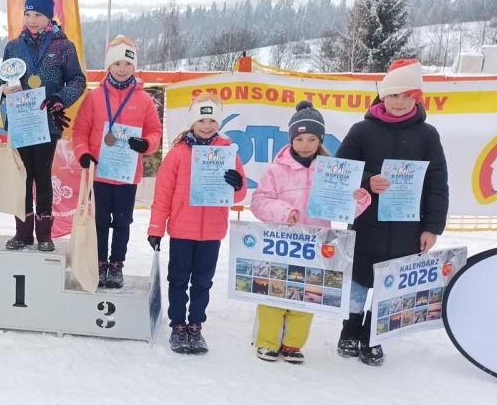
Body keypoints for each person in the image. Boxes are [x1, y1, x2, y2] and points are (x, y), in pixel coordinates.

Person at [334, 59, 449, 366]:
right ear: (383, 95)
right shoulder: (361, 131)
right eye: (394, 95)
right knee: (359, 280)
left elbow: (437, 184)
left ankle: (374, 335)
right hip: (365, 224)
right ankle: (350, 330)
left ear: (418, 98)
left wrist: (432, 227)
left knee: (391, 283)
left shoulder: (428, 135)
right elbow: (339, 170)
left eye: (408, 96)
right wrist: (366, 181)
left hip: (407, 229)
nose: (400, 102)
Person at [250, 101, 371, 363]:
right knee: (274, 293)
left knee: (307, 295)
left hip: (315, 246)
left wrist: (359, 199)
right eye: (300, 139)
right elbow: (258, 202)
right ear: (291, 139)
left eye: (312, 139)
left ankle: (293, 344)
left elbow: (345, 210)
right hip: (281, 245)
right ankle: (267, 342)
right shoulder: (276, 170)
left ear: (320, 140)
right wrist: (284, 212)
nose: (305, 145)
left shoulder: (331, 171)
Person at [148, 93, 246, 355]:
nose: (207, 126)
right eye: (201, 120)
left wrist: (237, 185)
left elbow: (238, 196)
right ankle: (178, 325)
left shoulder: (228, 153)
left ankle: (195, 325)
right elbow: (163, 194)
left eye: (212, 120)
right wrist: (156, 228)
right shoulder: (178, 154)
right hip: (182, 229)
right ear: (192, 122)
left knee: (203, 282)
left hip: (212, 231)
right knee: (178, 279)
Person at [0, 0, 87, 251]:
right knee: (22, 178)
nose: (32, 20)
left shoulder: (63, 46)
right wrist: (3, 89)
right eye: (28, 14)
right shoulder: (14, 46)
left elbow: (78, 80)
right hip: (20, 122)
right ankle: (22, 232)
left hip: (47, 122)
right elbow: (0, 80)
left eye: (38, 14)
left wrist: (60, 98)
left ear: (49, 16)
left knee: (43, 177)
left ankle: (44, 234)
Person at [72, 35, 162, 288]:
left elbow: (155, 131)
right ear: (108, 66)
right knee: (100, 221)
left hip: (126, 175)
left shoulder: (144, 99)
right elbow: (80, 131)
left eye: (128, 64)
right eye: (117, 64)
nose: (122, 69)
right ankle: (100, 262)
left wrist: (146, 144)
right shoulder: (94, 97)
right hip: (99, 173)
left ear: (135, 67)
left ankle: (116, 264)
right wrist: (83, 154)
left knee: (123, 222)